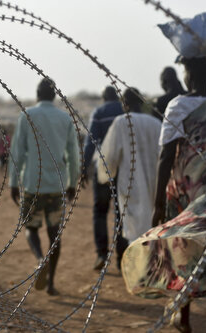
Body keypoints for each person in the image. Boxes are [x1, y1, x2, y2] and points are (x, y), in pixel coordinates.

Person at [121, 57, 206, 333]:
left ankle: (184, 320)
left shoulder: (179, 106)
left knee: (184, 256)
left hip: (187, 197)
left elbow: (166, 155)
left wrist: (158, 204)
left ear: (188, 73)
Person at [8, 78, 80, 296]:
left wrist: (13, 182)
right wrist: (72, 182)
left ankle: (40, 259)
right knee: (54, 234)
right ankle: (50, 284)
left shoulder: (27, 115)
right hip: (56, 185)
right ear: (55, 96)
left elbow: (18, 152)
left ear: (37, 95)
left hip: (32, 183)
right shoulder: (65, 118)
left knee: (30, 228)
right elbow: (73, 156)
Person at [96, 87, 162, 270]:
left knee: (132, 225)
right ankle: (151, 265)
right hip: (154, 182)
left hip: (130, 182)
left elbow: (108, 157)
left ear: (124, 103)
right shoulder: (155, 123)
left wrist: (106, 174)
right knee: (151, 223)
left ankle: (137, 269)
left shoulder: (121, 123)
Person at [82, 86, 127, 270]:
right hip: (123, 166)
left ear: (103, 97)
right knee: (120, 213)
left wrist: (84, 166)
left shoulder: (99, 112)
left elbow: (90, 141)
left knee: (100, 212)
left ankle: (101, 254)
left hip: (103, 166)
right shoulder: (125, 110)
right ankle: (121, 257)